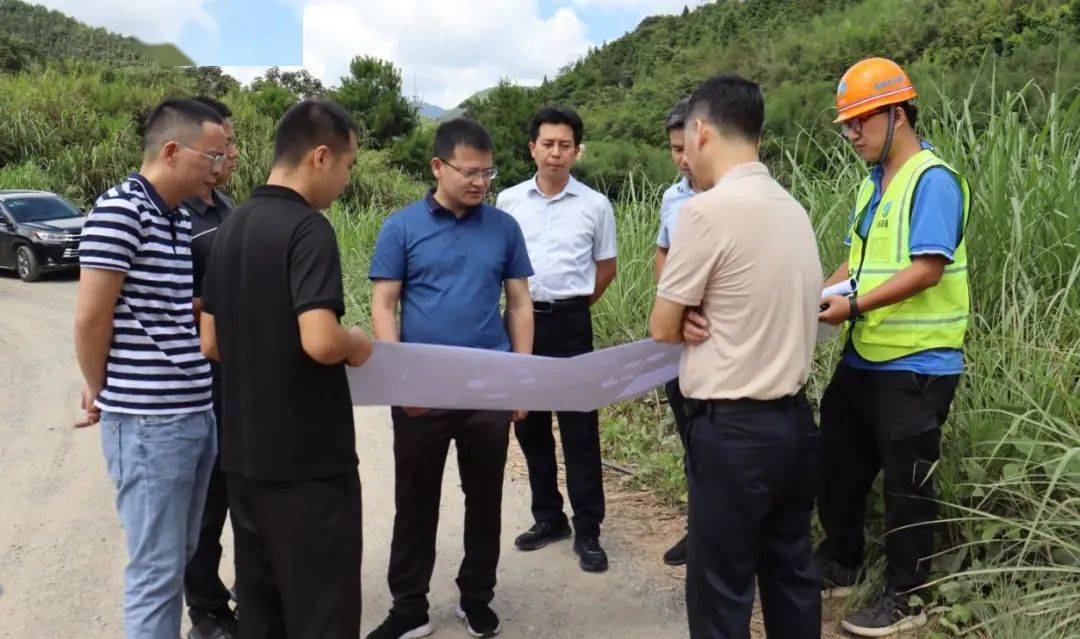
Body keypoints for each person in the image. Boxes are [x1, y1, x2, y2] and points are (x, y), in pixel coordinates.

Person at [648, 74, 823, 638]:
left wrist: (687, 314)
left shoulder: (704, 212)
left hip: (734, 434)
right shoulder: (792, 207)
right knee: (791, 574)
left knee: (721, 590)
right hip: (795, 425)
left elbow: (661, 325)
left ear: (701, 131)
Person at [198, 99, 373, 639]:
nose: (345, 180)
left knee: (263, 612)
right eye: (347, 166)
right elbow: (320, 340)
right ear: (320, 156)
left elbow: (210, 341)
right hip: (309, 470)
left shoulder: (229, 227)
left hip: (245, 462)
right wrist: (356, 343)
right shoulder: (308, 230)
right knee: (321, 613)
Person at [816, 58, 970, 637]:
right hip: (866, 355)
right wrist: (816, 296)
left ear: (896, 114)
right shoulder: (870, 184)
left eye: (860, 122)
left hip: (919, 365)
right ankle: (842, 562)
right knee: (837, 458)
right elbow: (857, 263)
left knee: (908, 486)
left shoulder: (932, 180)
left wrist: (852, 305)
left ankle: (909, 596)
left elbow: (927, 269)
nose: (852, 133)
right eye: (847, 124)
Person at [366, 118, 534, 639]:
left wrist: (521, 378)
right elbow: (384, 303)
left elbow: (520, 302)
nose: (481, 182)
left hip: (487, 386)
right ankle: (409, 606)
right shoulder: (401, 227)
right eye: (470, 171)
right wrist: (399, 380)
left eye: (488, 172)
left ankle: (476, 595)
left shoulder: (503, 227)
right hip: (422, 388)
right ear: (438, 166)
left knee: (484, 497)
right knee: (415, 500)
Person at [74, 98, 227, 638]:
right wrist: (100, 389)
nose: (219, 165)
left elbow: (164, 306)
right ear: (170, 151)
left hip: (192, 412)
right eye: (213, 154)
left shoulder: (177, 217)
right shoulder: (120, 211)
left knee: (179, 555)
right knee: (156, 571)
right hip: (147, 424)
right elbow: (92, 319)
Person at [496, 106, 617, 573]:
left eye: (565, 145)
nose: (556, 152)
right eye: (547, 143)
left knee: (580, 430)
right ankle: (549, 517)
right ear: (532, 147)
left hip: (570, 324)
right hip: (520, 323)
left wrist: (575, 307)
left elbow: (605, 269)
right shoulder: (509, 201)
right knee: (528, 426)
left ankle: (588, 529)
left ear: (576, 150)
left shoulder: (595, 205)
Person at [182, 95, 240, 639]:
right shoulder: (171, 214)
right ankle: (205, 608)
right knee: (203, 505)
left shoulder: (228, 210)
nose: (231, 155)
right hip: (190, 382)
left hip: (236, 379)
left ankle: (250, 588)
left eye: (233, 145)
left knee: (239, 485)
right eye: (222, 146)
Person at [654, 96, 698, 567]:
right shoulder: (672, 198)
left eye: (687, 146)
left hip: (723, 340)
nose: (683, 159)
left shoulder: (735, 194)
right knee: (691, 437)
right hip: (679, 339)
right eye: (673, 149)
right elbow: (662, 254)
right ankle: (698, 529)